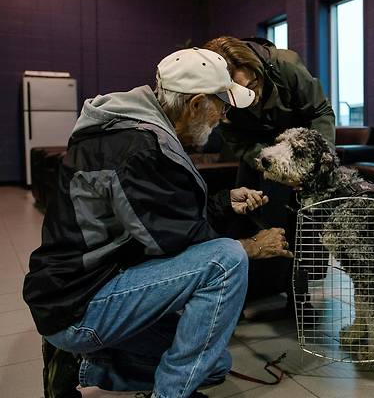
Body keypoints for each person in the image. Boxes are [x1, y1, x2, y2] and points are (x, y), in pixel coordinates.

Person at [22, 47, 293, 398]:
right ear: (196, 104)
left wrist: (223, 202)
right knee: (226, 261)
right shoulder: (137, 148)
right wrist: (252, 247)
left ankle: (79, 364)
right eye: (221, 105)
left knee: (214, 368)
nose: (223, 117)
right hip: (79, 303)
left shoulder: (134, 127)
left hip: (89, 287)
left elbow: (162, 217)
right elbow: (173, 242)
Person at [203, 36, 336, 302]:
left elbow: (320, 111)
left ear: (258, 69)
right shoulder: (215, 89)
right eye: (238, 94)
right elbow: (234, 139)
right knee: (248, 212)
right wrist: (268, 162)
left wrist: (318, 158)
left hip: (299, 151)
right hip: (256, 153)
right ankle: (248, 288)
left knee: (304, 220)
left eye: (252, 85)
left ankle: (298, 296)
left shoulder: (287, 66)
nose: (250, 98)